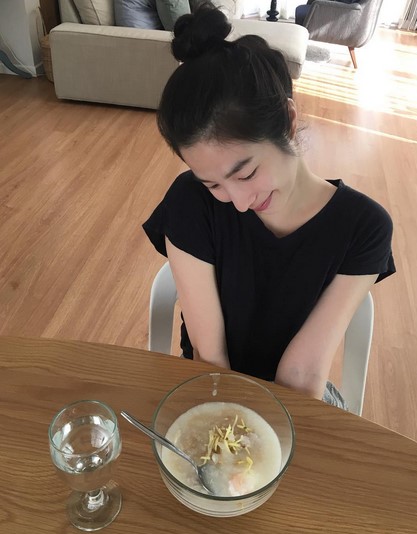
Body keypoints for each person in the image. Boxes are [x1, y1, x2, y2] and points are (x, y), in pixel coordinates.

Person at [143, 2, 395, 409]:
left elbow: (302, 375)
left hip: (296, 401)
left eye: (245, 174)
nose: (240, 202)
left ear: (288, 121)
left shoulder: (363, 228)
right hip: (210, 389)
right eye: (214, 184)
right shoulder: (190, 202)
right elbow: (210, 359)